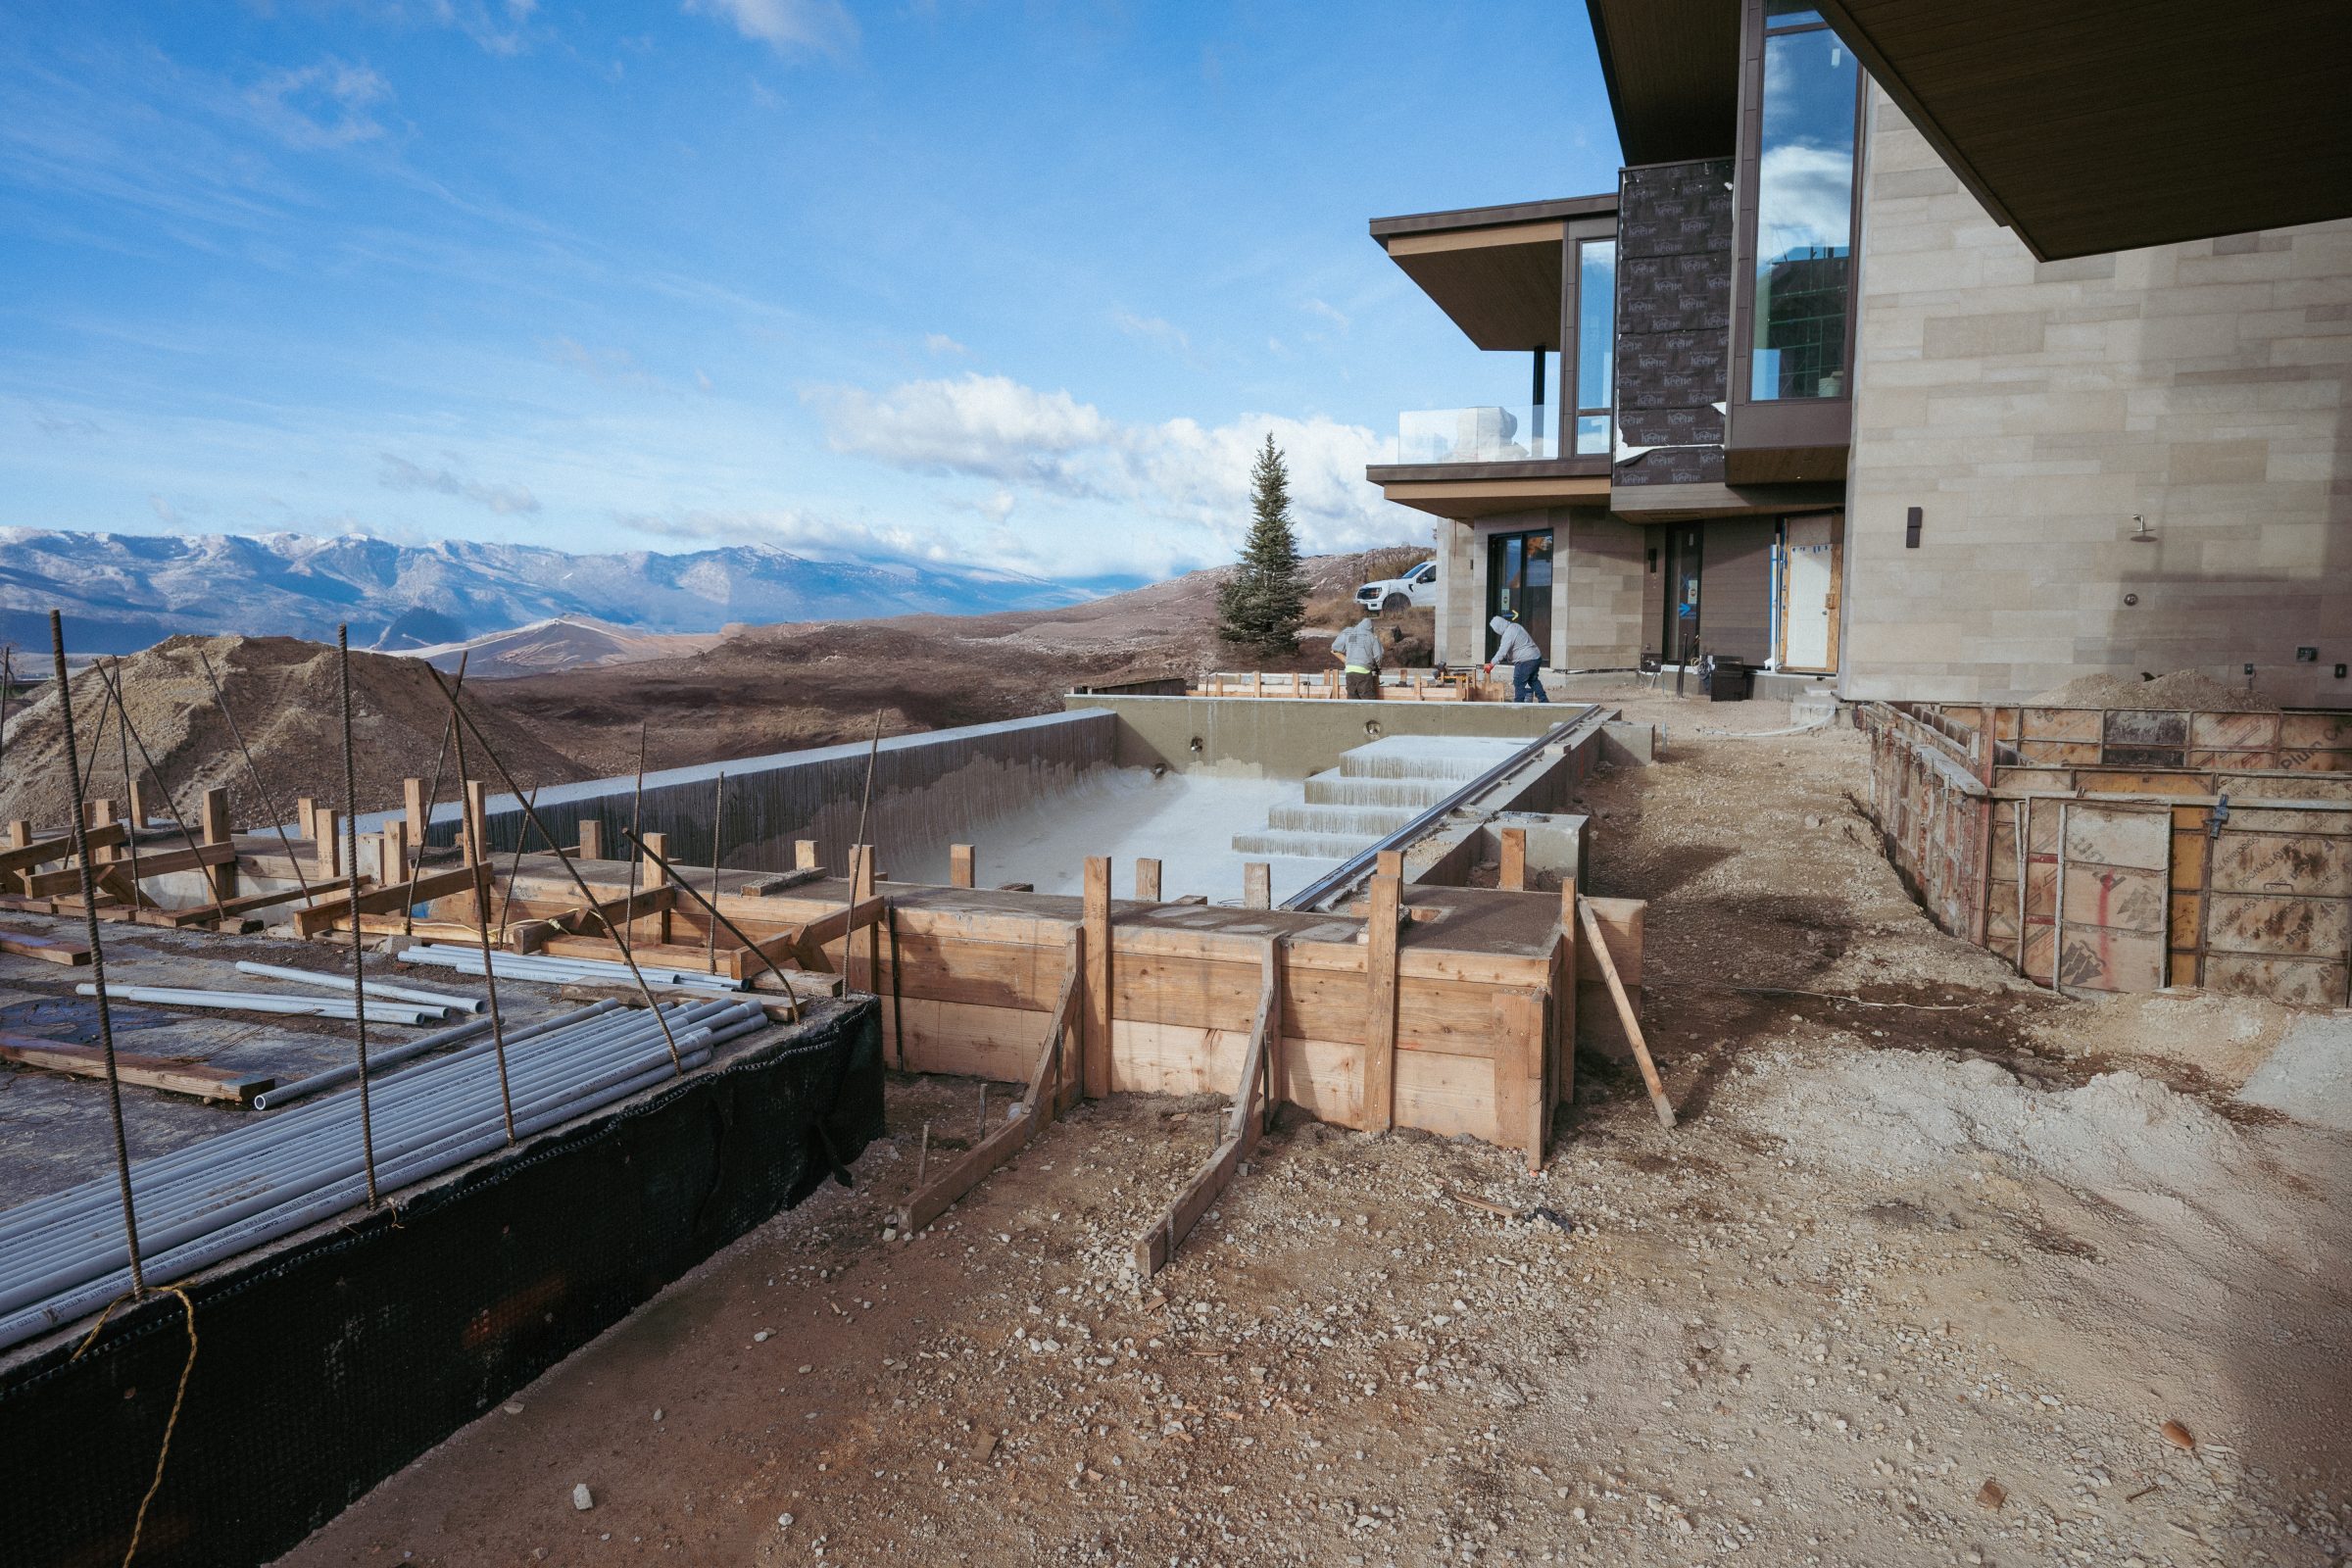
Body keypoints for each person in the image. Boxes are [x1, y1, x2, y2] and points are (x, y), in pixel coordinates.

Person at [1484, 612, 1547, 704]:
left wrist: (1491, 664)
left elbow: (1502, 651)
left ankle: (1518, 703)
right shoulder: (1515, 626)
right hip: (1535, 657)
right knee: (1533, 680)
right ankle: (1544, 701)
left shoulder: (1508, 633)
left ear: (1498, 628)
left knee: (1518, 682)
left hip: (1525, 660)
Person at [1332, 615, 1383, 700]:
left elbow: (1335, 647)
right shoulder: (1372, 637)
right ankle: (1370, 713)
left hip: (1349, 671)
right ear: (1371, 628)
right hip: (1364, 671)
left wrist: (1347, 656)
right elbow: (1378, 655)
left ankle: (1353, 713)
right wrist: (1378, 667)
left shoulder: (1349, 634)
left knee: (1352, 698)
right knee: (1367, 698)